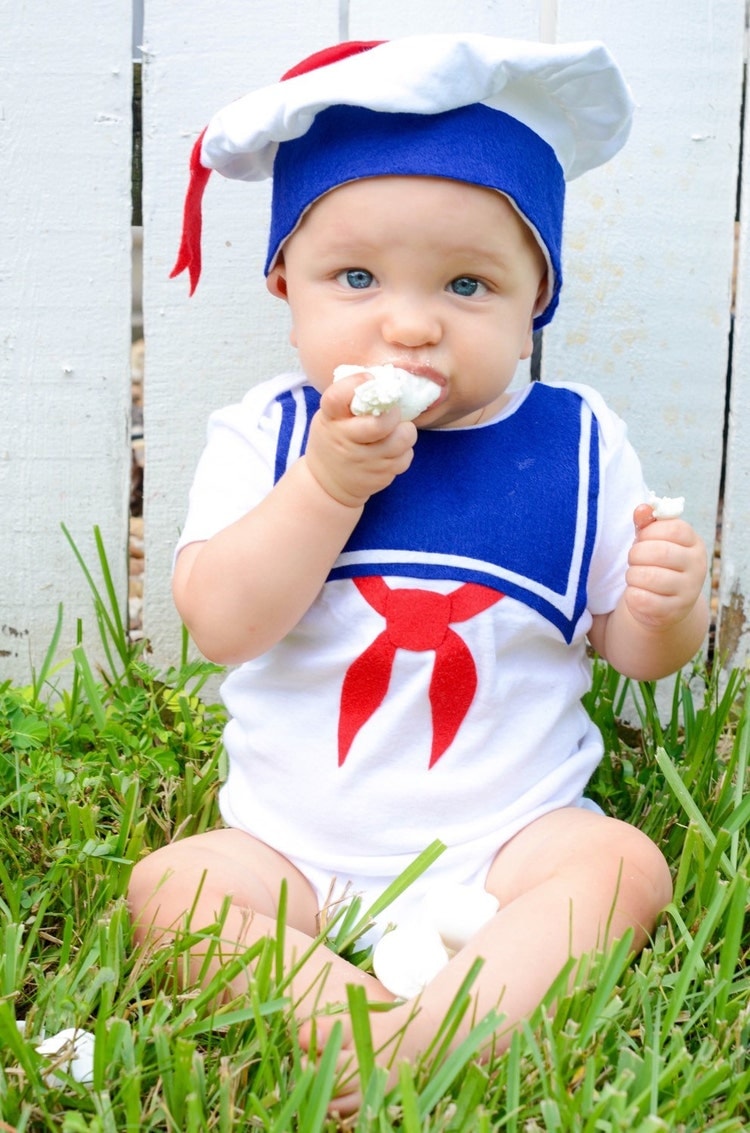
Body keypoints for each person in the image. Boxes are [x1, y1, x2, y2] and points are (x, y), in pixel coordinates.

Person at [128, 34, 708, 1116]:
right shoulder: (269, 433)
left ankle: (423, 1036)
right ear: (284, 285)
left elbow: (635, 652)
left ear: (536, 297)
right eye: (355, 277)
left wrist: (665, 607)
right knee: (174, 888)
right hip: (292, 844)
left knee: (624, 865)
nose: (408, 320)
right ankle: (369, 1023)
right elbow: (221, 623)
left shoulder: (577, 441)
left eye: (467, 283)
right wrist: (327, 487)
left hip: (513, 835)